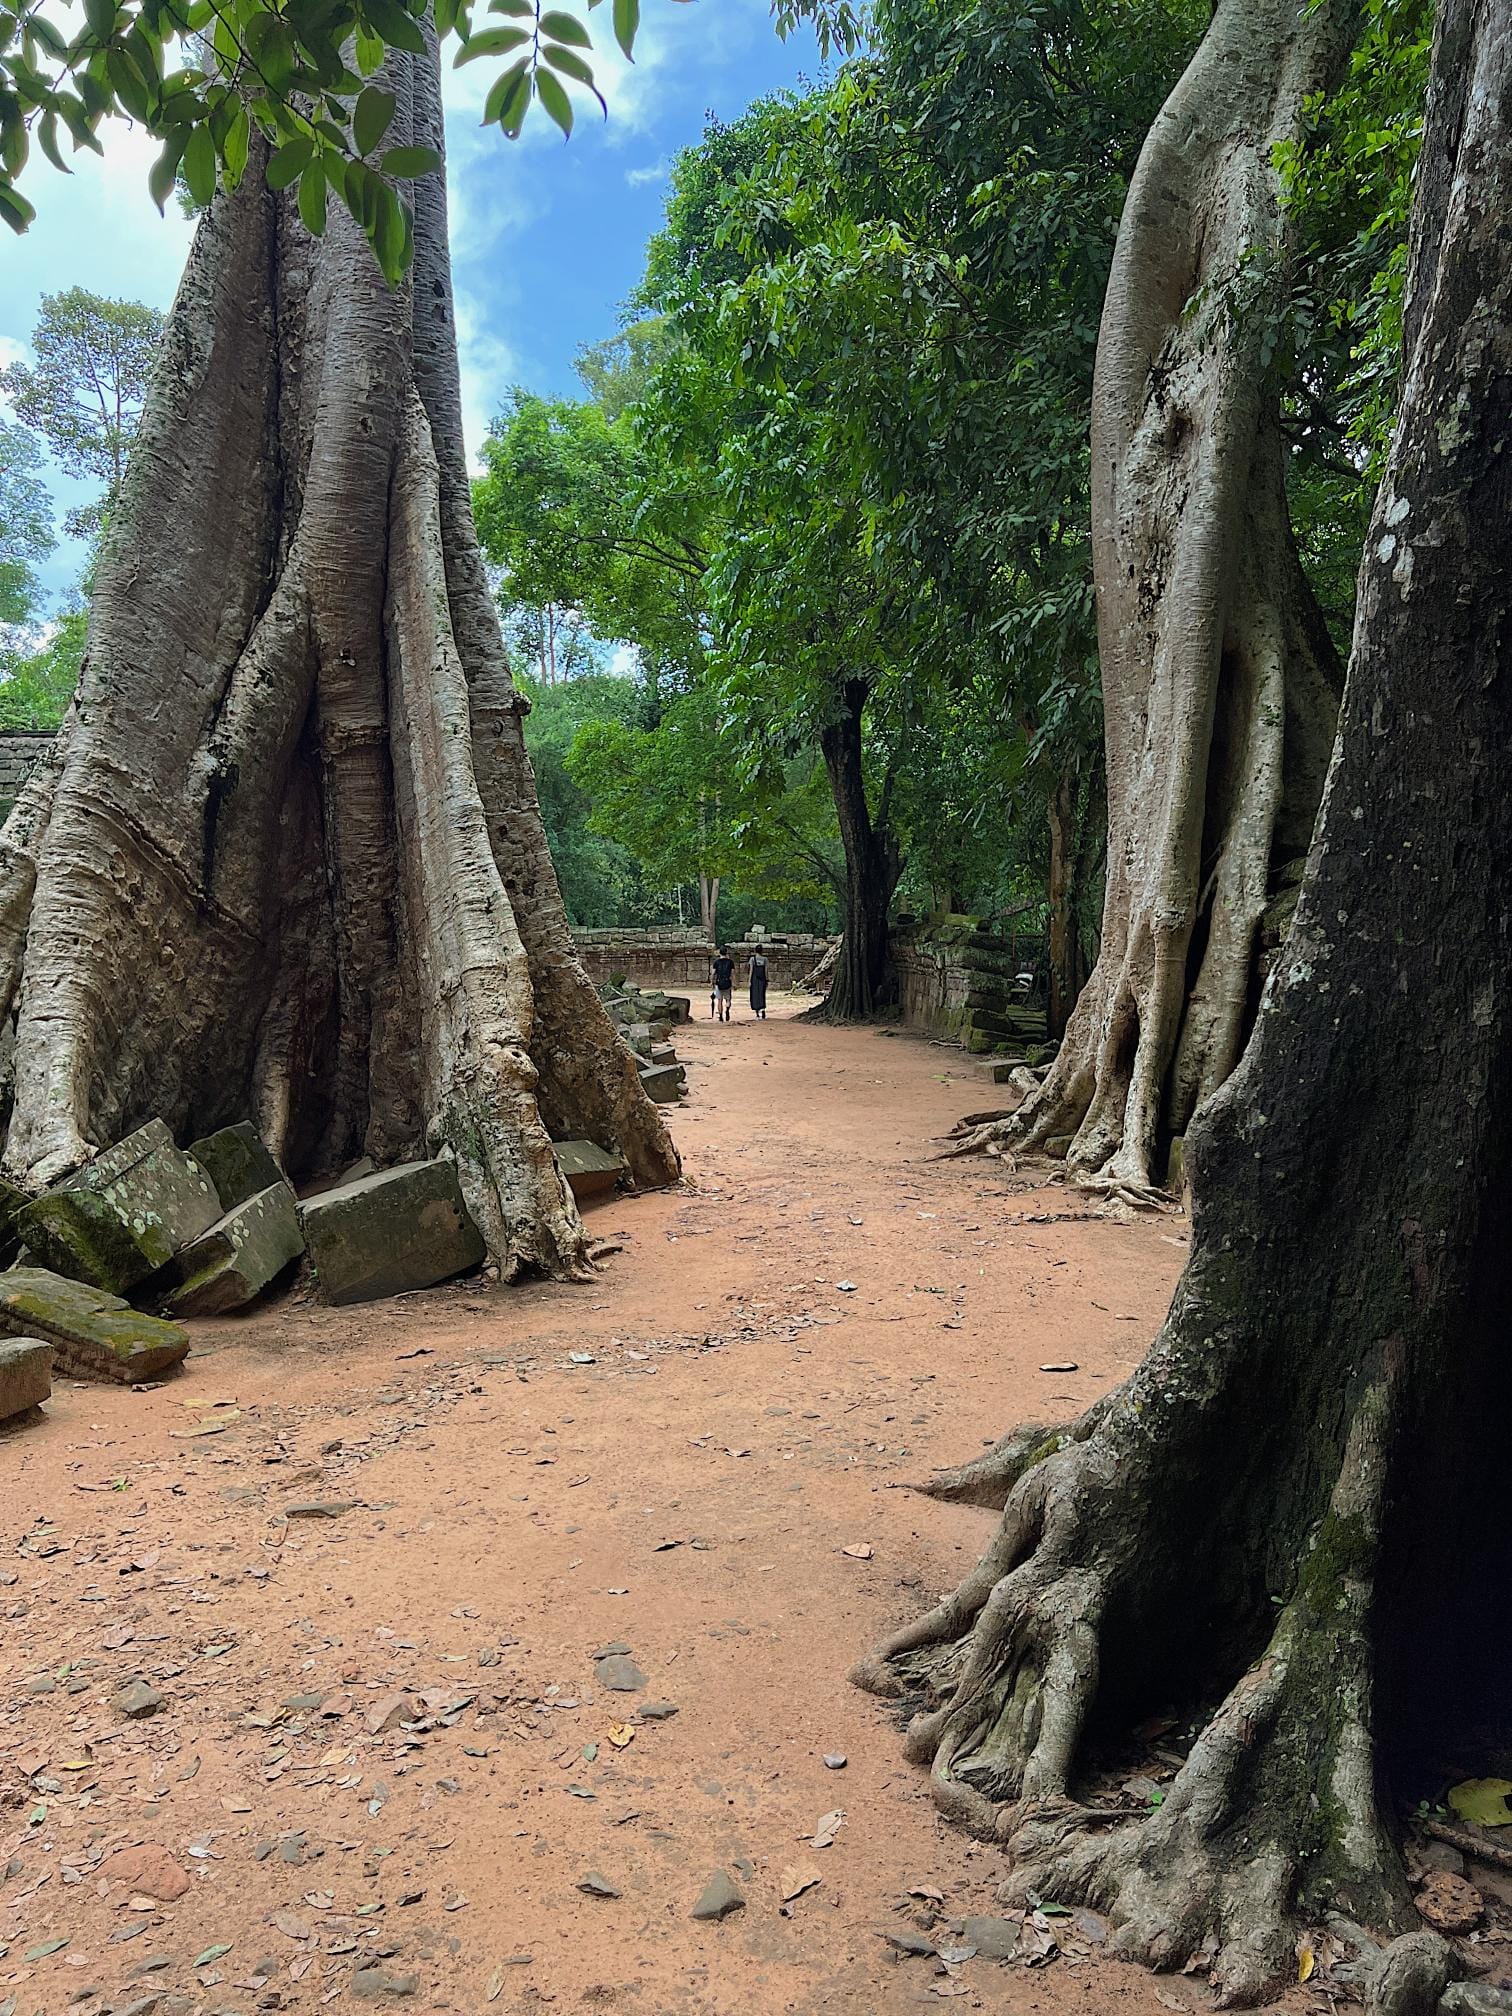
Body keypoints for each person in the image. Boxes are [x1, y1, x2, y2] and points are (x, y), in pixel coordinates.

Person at [710, 946, 735, 1022]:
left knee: (719, 1000)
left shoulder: (716, 962)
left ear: (719, 953)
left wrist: (712, 982)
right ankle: (727, 1009)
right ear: (726, 953)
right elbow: (733, 974)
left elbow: (713, 973)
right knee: (728, 999)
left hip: (719, 983)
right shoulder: (730, 962)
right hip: (727, 982)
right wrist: (734, 983)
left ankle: (720, 1016)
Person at [748, 947, 769, 1019]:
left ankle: (757, 1013)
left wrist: (749, 981)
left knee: (755, 995)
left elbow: (751, 970)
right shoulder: (765, 959)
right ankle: (762, 1009)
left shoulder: (752, 959)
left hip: (755, 979)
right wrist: (767, 979)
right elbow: (766, 971)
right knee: (762, 994)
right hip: (762, 979)